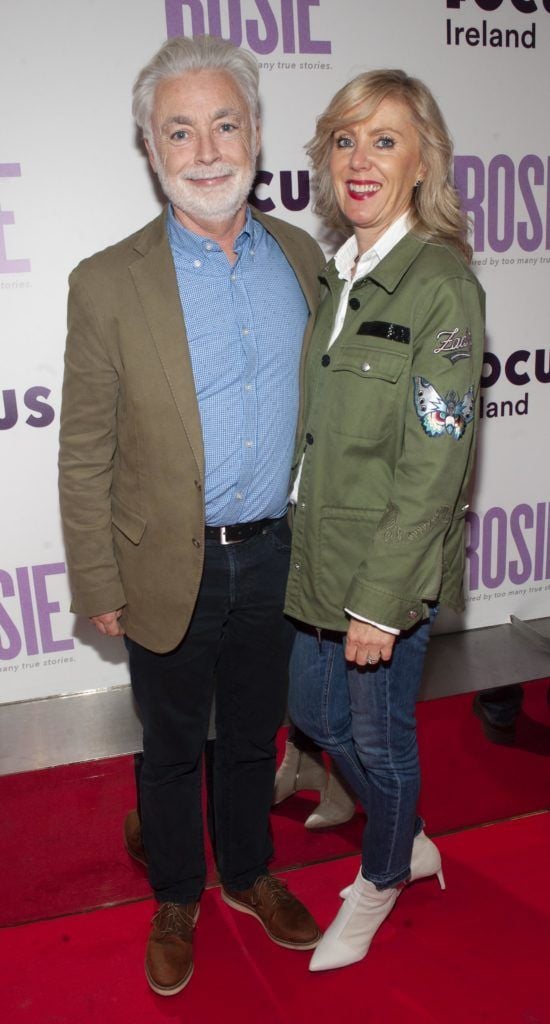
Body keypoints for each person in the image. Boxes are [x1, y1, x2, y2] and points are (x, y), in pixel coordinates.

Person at [59, 34, 325, 997]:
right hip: (167, 562)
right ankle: (177, 893)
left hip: (277, 555)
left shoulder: (303, 260)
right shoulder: (106, 282)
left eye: (225, 123)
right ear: (150, 148)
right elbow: (83, 449)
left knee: (256, 734)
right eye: (181, 130)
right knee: (171, 746)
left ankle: (250, 872)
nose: (207, 148)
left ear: (257, 132)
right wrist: (97, 579)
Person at [283, 69, 485, 971]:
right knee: (309, 712)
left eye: (386, 140)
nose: (361, 160)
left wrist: (379, 602)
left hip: (385, 575)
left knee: (378, 739)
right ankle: (406, 841)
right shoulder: (340, 273)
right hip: (318, 554)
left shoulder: (440, 286)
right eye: (345, 139)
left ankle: (381, 876)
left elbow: (436, 462)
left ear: (421, 163)